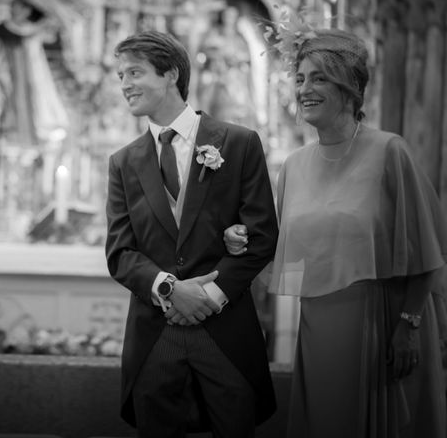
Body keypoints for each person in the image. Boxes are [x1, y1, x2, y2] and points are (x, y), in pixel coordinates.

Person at [225, 27, 447, 437]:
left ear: (351, 88)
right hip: (318, 324)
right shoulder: (293, 165)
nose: (304, 89)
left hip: (381, 321)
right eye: (300, 79)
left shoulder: (389, 152)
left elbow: (425, 249)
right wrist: (240, 239)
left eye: (319, 78)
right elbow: (284, 252)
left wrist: (408, 324)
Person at [105, 30, 278, 437]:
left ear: (170, 74)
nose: (125, 84)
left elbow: (262, 234)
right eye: (120, 76)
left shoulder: (238, 143)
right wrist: (169, 289)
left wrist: (208, 297)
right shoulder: (123, 163)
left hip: (225, 329)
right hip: (155, 335)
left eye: (134, 72)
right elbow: (120, 252)